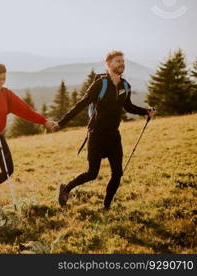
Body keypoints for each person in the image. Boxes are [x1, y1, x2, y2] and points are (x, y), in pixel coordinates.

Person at [54, 51, 157, 210]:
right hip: (96, 135)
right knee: (92, 174)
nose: (121, 64)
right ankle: (66, 188)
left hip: (113, 136)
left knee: (117, 173)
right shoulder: (100, 84)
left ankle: (106, 207)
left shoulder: (125, 86)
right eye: (117, 61)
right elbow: (81, 104)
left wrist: (146, 111)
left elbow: (128, 106)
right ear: (108, 64)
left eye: (123, 61)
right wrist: (61, 123)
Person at [0, 62, 56, 216]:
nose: (2, 82)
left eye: (4, 79)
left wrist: (44, 121)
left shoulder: (5, 94)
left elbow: (25, 110)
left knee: (8, 169)